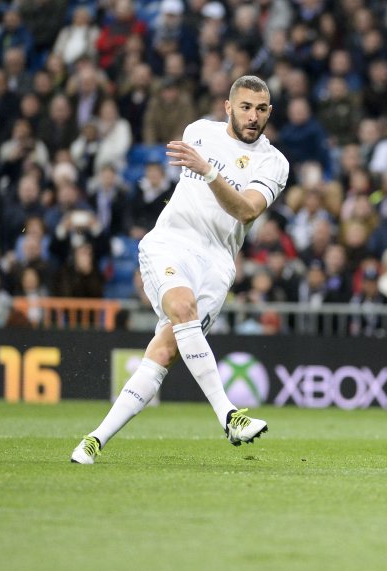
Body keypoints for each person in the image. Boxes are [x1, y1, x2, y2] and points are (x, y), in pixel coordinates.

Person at [71, 75, 290, 464]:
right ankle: (229, 415)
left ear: (269, 112)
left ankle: (93, 440)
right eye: (245, 107)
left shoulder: (274, 163)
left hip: (218, 261)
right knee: (183, 307)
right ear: (228, 107)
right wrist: (207, 170)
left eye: (260, 109)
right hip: (172, 242)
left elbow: (246, 211)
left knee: (165, 350)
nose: (253, 116)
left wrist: (209, 172)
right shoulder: (198, 132)